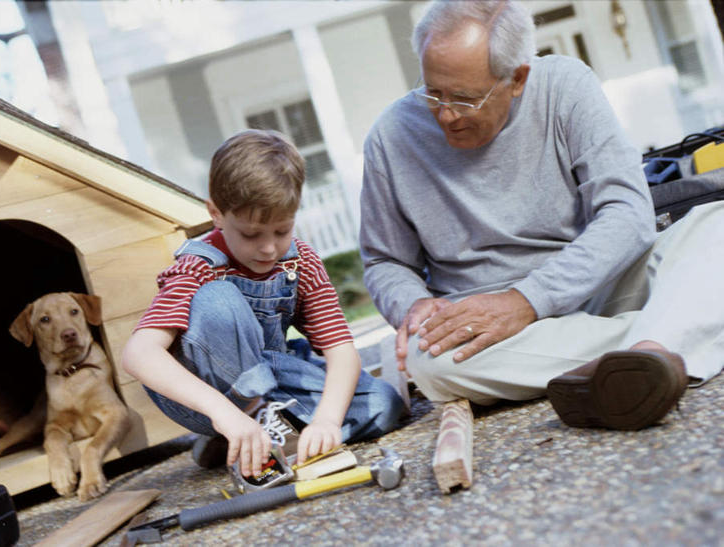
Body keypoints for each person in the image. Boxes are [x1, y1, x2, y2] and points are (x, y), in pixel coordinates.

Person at [360, 0, 724, 430]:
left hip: (599, 286)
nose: (445, 115)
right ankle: (667, 340)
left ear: (517, 79)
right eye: (432, 92)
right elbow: (386, 261)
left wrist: (527, 301)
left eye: (464, 99)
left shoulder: (566, 86)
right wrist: (415, 305)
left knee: (715, 222)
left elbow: (627, 211)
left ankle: (649, 347)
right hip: (490, 332)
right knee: (430, 361)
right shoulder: (390, 137)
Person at [123, 129, 404, 478]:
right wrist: (224, 414)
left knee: (383, 404)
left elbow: (342, 351)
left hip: (274, 378)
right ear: (216, 214)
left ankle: (255, 439)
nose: (269, 248)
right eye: (251, 234)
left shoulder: (301, 262)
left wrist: (328, 421)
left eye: (282, 231)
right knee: (218, 300)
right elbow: (139, 354)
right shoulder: (196, 267)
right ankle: (246, 426)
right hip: (205, 396)